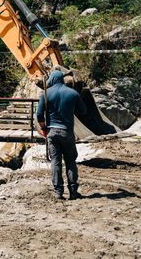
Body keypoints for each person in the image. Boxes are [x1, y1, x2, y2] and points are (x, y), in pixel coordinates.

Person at [37, 70, 87, 200]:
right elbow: (83, 111)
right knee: (70, 161)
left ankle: (58, 192)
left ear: (52, 80)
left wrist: (43, 128)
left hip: (52, 132)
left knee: (55, 161)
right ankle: (73, 191)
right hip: (67, 132)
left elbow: (39, 115)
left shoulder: (46, 94)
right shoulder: (73, 93)